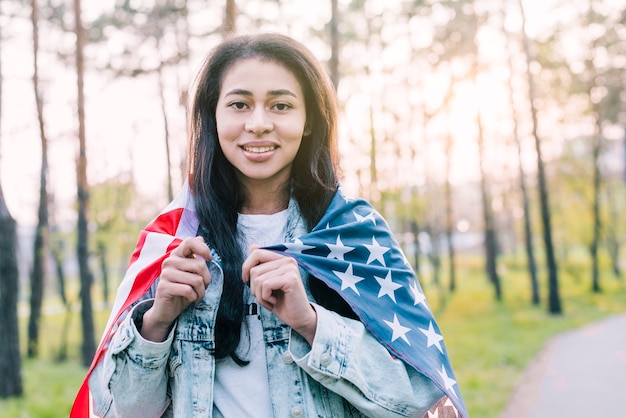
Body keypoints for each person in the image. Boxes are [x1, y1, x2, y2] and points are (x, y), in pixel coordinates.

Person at [71, 33, 467, 418]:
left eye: (280, 106)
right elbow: (122, 411)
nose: (258, 124)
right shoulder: (174, 241)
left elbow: (419, 399)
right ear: (213, 117)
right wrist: (156, 321)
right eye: (239, 105)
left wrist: (311, 323)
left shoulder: (353, 233)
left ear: (309, 120)